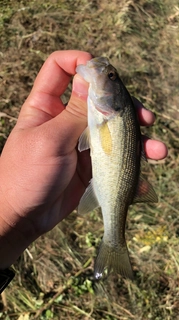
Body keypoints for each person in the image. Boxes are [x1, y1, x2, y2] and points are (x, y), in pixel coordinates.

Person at [0, 50, 168, 272]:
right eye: (111, 75)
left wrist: (9, 214)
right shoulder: (108, 113)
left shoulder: (112, 114)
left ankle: (114, 243)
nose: (107, 74)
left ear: (117, 98)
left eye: (111, 77)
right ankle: (114, 245)